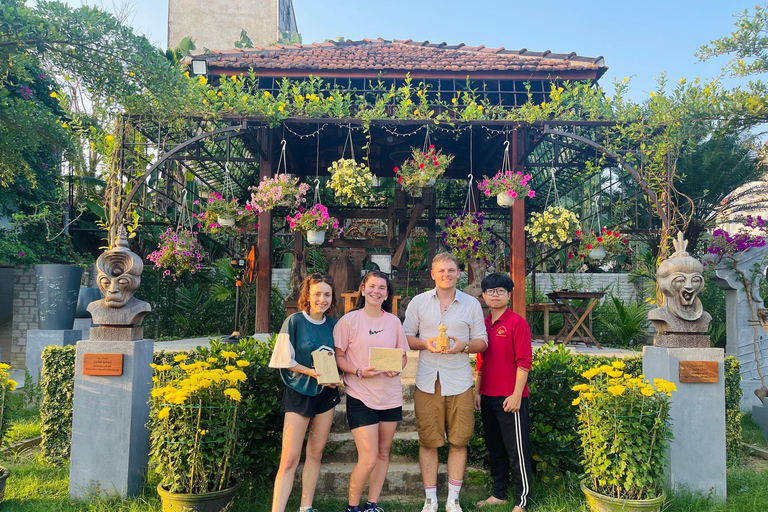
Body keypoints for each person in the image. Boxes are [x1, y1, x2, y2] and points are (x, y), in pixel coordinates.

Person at [403, 252, 488, 512]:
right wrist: (425, 343)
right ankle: (430, 500)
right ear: (433, 274)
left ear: (458, 273)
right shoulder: (418, 302)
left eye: (451, 270)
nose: (446, 275)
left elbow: (482, 342)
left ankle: (453, 499)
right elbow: (405, 337)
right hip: (428, 380)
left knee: (459, 440)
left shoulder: (471, 304)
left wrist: (463, 347)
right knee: (428, 441)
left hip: (459, 381)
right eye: (441, 271)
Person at [334, 271, 409, 512]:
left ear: (387, 294)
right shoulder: (349, 321)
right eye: (372, 286)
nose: (377, 291)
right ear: (363, 289)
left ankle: (372, 504)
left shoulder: (394, 322)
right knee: (367, 458)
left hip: (390, 396)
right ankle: (352, 506)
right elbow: (339, 357)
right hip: (361, 395)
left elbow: (403, 355)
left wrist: (396, 369)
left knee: (383, 453)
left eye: (382, 288)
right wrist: (358, 371)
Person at [269, 274, 340, 512]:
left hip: (325, 396)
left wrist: (333, 378)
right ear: (307, 296)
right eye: (317, 294)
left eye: (327, 294)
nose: (322, 299)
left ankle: (305, 507)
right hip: (299, 393)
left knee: (316, 453)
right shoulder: (294, 321)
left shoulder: (333, 325)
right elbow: (282, 359)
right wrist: (312, 372)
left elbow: (337, 359)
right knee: (289, 459)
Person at [474, 274, 533, 512]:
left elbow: (524, 362)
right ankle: (499, 494)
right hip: (487, 397)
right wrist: (477, 393)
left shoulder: (517, 323)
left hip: (511, 399)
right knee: (495, 450)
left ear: (509, 294)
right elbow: (480, 362)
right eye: (490, 291)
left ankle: (522, 501)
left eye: (500, 290)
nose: (495, 295)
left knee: (517, 452)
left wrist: (517, 394)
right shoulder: (482, 325)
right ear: (484, 296)